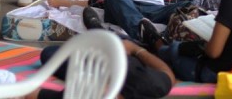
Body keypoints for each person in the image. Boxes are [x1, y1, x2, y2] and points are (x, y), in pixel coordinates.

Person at [24, 18, 174, 99]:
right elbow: (166, 73)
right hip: (123, 51)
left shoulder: (81, 93)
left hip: (89, 59)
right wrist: (136, 49)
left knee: (49, 54)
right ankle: (103, 32)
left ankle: (99, 31)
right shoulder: (146, 84)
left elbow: (29, 94)